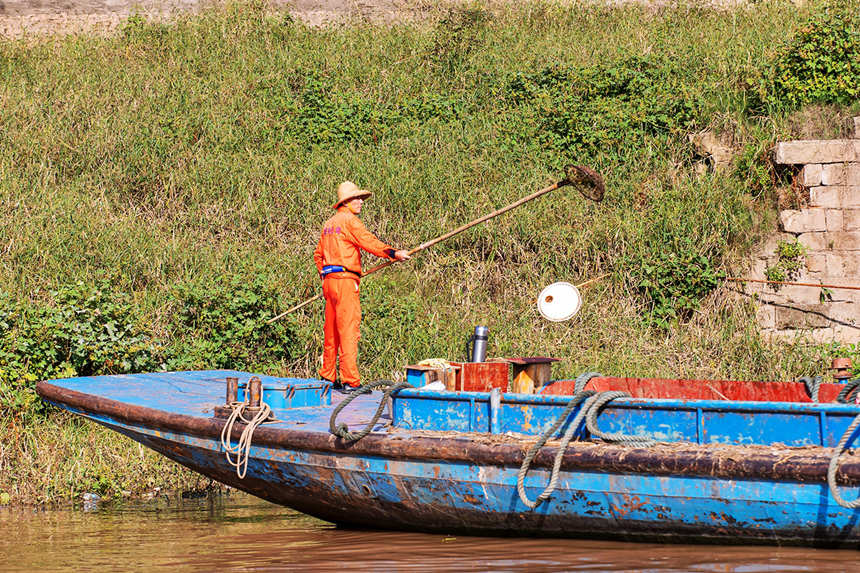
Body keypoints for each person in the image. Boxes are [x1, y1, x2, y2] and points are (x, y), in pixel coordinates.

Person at [313, 181, 410, 390]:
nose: (360, 202)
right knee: (348, 331)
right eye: (356, 198)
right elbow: (369, 242)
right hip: (346, 282)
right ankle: (350, 381)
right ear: (346, 202)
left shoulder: (329, 224)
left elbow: (318, 255)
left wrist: (325, 274)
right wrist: (393, 253)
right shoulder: (350, 221)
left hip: (329, 283)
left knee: (331, 331)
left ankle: (327, 377)